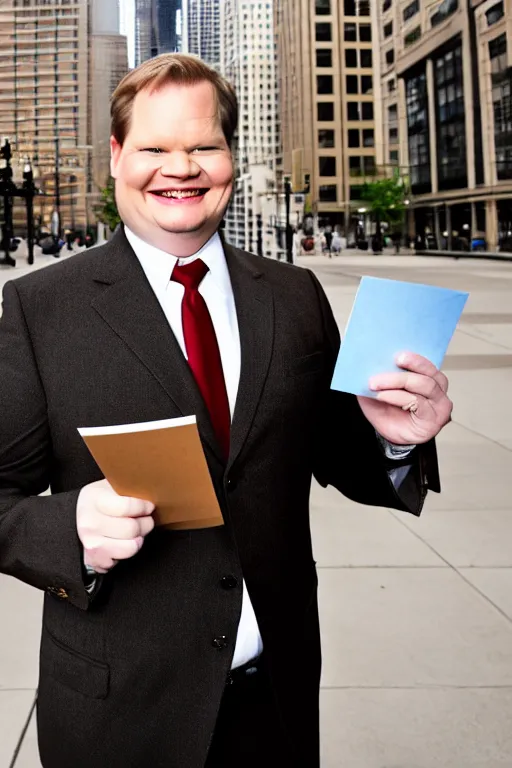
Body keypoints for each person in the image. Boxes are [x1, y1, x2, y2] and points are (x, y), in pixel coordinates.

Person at [0, 54, 452, 768]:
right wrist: (72, 526)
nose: (179, 168)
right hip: (119, 712)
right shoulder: (39, 309)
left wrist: (395, 442)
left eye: (203, 145)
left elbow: (338, 457)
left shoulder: (295, 294)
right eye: (153, 147)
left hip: (274, 701)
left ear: (230, 158)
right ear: (117, 156)